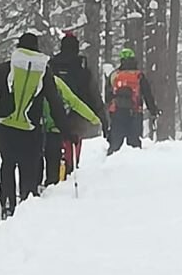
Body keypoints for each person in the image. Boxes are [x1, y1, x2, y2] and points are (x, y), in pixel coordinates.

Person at [0, 32, 70, 219]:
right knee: (28, 165)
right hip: (31, 130)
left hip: (4, 128)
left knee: (8, 162)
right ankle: (26, 202)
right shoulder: (43, 72)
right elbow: (55, 103)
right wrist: (66, 130)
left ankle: (7, 203)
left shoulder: (6, 69)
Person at [48, 31, 106, 175]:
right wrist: (100, 114)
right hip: (77, 112)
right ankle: (71, 165)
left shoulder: (52, 64)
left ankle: (54, 169)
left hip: (53, 109)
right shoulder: (81, 66)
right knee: (74, 138)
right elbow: (93, 92)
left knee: (54, 139)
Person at [41, 76, 101, 187]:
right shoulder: (56, 82)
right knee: (53, 160)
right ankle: (50, 187)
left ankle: (32, 191)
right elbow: (74, 102)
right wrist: (93, 118)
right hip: (55, 127)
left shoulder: (29, 77)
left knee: (34, 161)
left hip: (34, 128)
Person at [105, 48, 159, 155]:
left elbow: (108, 96)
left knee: (115, 143)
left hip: (117, 113)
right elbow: (148, 95)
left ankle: (109, 165)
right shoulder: (139, 75)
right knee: (134, 144)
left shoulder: (114, 75)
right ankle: (134, 167)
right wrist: (153, 110)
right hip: (135, 112)